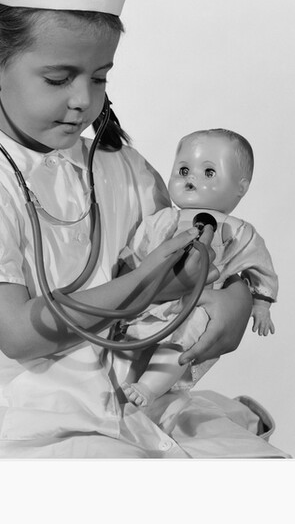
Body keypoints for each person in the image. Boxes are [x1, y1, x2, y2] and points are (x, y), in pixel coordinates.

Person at [0, 0, 288, 458]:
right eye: (58, 78)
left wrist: (237, 299)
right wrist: (146, 284)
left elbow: (194, 252)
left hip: (130, 392)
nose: (82, 100)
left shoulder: (122, 167)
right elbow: (20, 336)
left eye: (99, 77)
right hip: (24, 410)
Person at [118, 128, 279, 408]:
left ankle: (149, 388)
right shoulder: (161, 219)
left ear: (241, 187)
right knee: (132, 335)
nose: (191, 177)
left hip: (196, 307)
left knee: (183, 341)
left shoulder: (238, 231)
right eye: (183, 170)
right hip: (151, 302)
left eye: (208, 172)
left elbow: (260, 267)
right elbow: (136, 253)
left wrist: (261, 305)